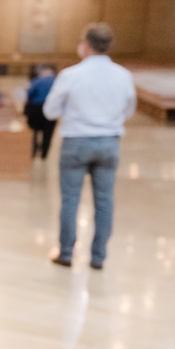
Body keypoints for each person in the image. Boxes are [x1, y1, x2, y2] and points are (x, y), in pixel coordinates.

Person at [45, 23, 136, 269]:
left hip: (76, 140)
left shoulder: (71, 75)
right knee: (104, 201)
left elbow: (50, 110)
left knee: (70, 199)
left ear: (85, 46)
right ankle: (98, 257)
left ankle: (66, 253)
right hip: (109, 140)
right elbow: (129, 109)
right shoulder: (123, 75)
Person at [24, 63, 58, 160]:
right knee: (48, 133)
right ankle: (44, 154)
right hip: (50, 109)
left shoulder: (37, 81)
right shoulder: (56, 81)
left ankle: (34, 151)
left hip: (36, 108)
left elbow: (29, 94)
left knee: (35, 131)